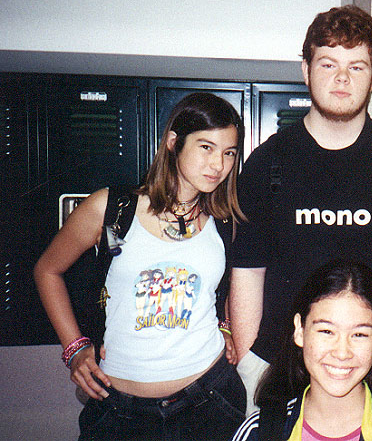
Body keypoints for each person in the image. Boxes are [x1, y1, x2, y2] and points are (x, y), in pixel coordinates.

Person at [229, 5, 372, 415]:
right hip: (278, 368)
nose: (341, 78)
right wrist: (249, 365)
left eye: (357, 66)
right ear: (306, 69)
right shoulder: (267, 163)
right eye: (328, 63)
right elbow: (246, 274)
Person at [34, 92, 247, 440]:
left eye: (229, 153)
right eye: (206, 147)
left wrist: (225, 326)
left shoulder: (223, 221)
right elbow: (47, 270)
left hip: (209, 401)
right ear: (173, 143)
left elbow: (224, 288)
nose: (218, 165)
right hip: (121, 411)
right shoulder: (111, 208)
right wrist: (75, 349)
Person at [231, 260, 372, 441]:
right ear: (299, 330)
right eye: (326, 331)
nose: (342, 353)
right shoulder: (260, 431)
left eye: (359, 334)